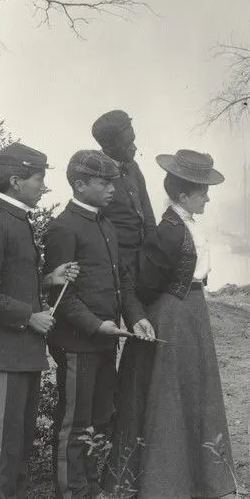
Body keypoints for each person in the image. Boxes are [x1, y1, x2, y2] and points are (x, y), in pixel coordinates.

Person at [104, 150, 235, 499]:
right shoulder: (168, 231)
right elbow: (145, 284)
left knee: (194, 392)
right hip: (173, 315)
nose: (207, 197)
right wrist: (154, 315)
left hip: (192, 312)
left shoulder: (186, 224)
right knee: (172, 397)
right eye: (202, 191)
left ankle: (200, 483)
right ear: (182, 195)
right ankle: (167, 488)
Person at [0, 143, 78, 499]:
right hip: (3, 358)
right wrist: (29, 316)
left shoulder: (17, 219)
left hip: (22, 356)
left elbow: (8, 281)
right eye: (38, 178)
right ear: (16, 181)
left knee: (15, 450)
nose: (43, 187)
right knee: (0, 453)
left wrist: (48, 280)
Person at [43, 150, 135, 499]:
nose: (112, 189)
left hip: (104, 340)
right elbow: (60, 295)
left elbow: (120, 283)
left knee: (100, 415)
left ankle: (92, 488)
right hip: (78, 342)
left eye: (113, 181)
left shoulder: (105, 225)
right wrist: (96, 325)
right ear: (80, 185)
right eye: (104, 182)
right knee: (75, 421)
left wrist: (135, 317)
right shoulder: (64, 227)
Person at [91, 110, 157, 339]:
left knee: (143, 322)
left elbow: (146, 211)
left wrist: (152, 252)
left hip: (140, 258)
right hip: (115, 260)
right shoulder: (96, 172)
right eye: (127, 143)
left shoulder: (133, 167)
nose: (134, 147)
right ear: (108, 147)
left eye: (134, 140)